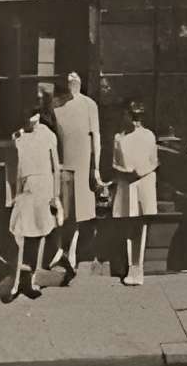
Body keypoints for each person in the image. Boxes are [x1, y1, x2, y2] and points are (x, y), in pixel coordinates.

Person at [3, 99, 61, 302]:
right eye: (28, 116)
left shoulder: (49, 135)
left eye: (35, 115)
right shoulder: (18, 137)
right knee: (20, 236)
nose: (31, 120)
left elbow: (56, 167)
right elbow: (12, 169)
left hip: (44, 188)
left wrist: (56, 196)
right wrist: (11, 196)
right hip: (25, 191)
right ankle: (16, 282)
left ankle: (33, 279)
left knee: (40, 235)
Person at [48, 69, 103, 282]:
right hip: (63, 161)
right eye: (68, 78)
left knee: (79, 210)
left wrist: (96, 167)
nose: (72, 81)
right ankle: (58, 250)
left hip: (83, 161)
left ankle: (71, 251)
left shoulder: (90, 105)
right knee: (63, 207)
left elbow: (96, 137)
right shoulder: (55, 105)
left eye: (76, 78)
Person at [109, 97, 160, 285]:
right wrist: (125, 173)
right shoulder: (119, 138)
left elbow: (154, 161)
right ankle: (131, 267)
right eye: (132, 116)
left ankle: (139, 268)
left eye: (138, 117)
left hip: (143, 183)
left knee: (140, 226)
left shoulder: (149, 135)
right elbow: (115, 163)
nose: (135, 120)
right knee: (128, 226)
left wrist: (140, 172)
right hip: (126, 184)